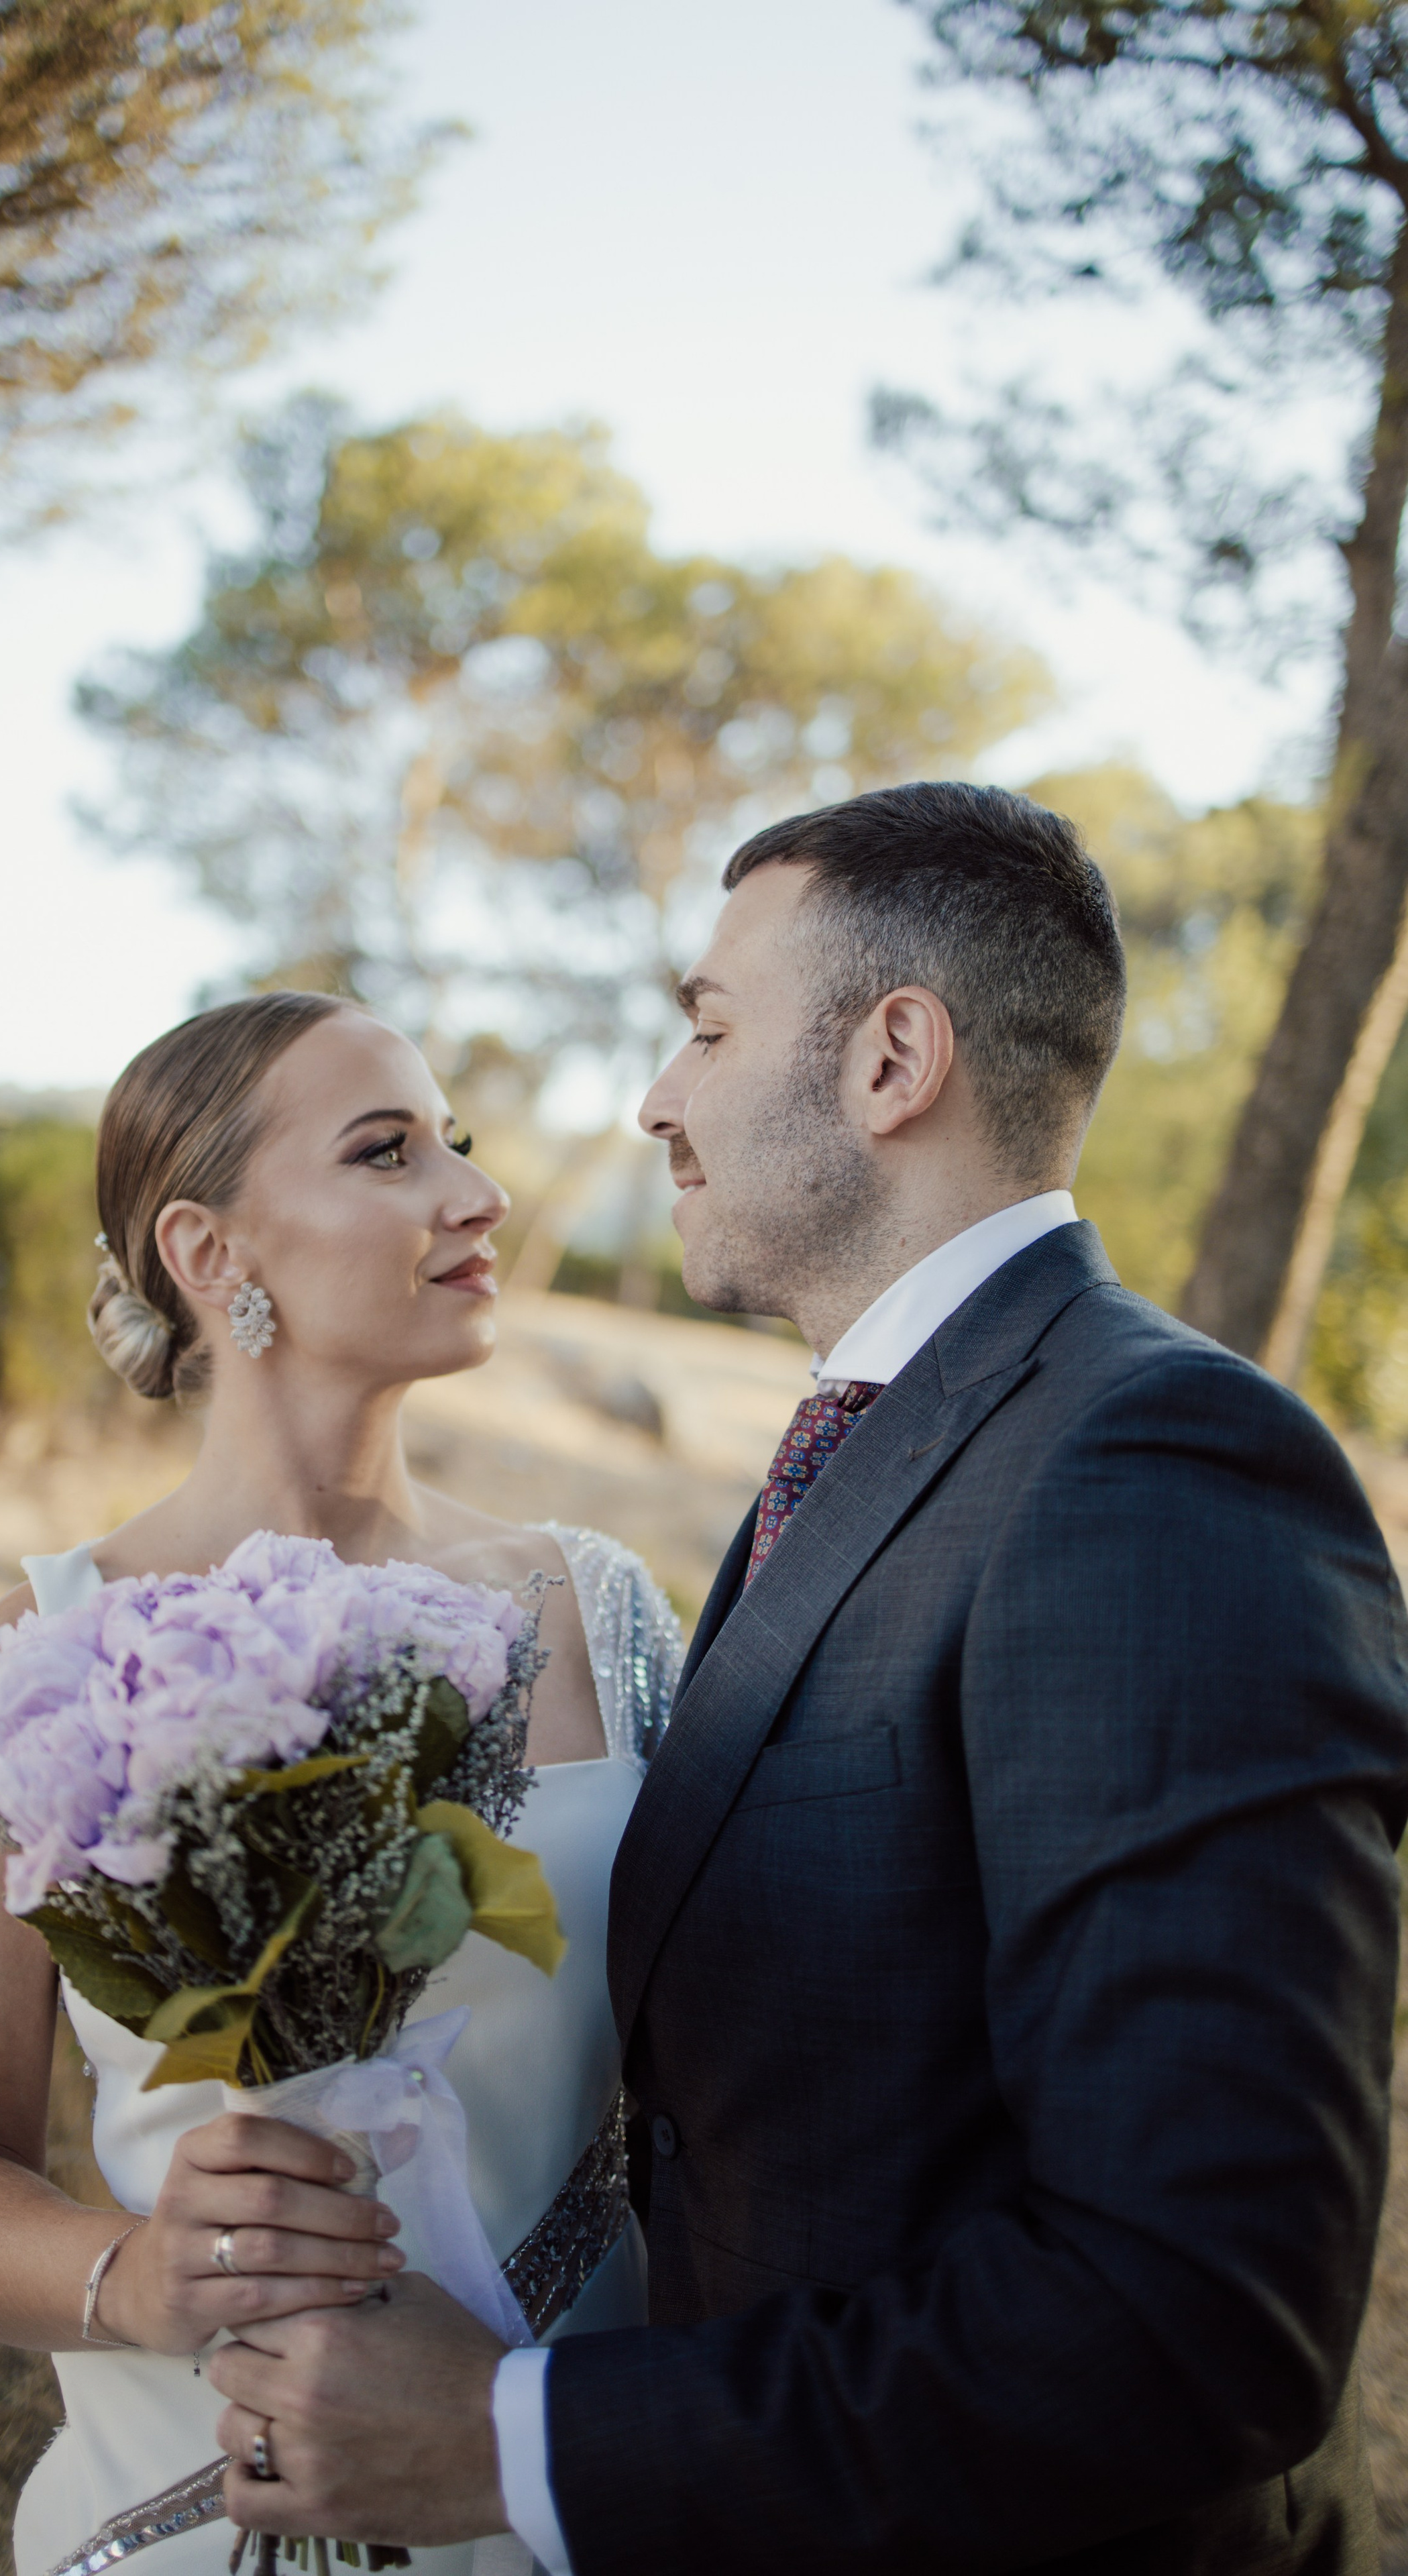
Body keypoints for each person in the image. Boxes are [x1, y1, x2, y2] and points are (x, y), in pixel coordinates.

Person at [205, 782, 1408, 2576]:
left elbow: (1198, 2314)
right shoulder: (888, 1433)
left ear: (892, 1059)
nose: (656, 1098)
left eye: (705, 1027)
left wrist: (510, 2440)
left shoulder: (1153, 1465)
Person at [0, 991, 683, 2576]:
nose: (474, 1191)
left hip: (562, 2495)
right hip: (183, 2504)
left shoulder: (601, 1614)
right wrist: (138, 2276)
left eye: (454, 1140)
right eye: (387, 1151)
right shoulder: (31, 1664)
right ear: (207, 1251)